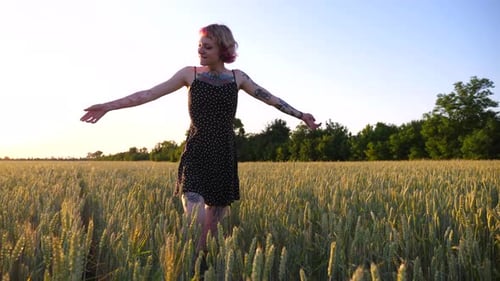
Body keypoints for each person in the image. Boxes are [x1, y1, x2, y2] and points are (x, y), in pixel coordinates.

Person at [81, 24, 320, 253]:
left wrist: (301, 115)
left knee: (210, 234)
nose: (200, 50)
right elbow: (149, 93)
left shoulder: (238, 78)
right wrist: (107, 106)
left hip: (223, 157)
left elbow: (271, 99)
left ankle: (203, 268)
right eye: (199, 45)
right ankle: (188, 266)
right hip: (196, 154)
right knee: (195, 223)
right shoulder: (189, 74)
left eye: (207, 47)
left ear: (223, 50)